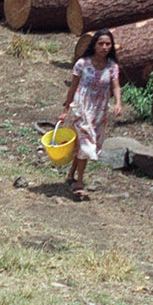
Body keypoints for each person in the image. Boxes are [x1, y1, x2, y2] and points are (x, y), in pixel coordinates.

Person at [60, 29, 124, 197]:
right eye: (101, 44)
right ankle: (79, 182)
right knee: (86, 144)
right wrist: (66, 109)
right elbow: (73, 87)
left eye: (107, 44)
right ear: (94, 45)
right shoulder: (82, 63)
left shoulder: (112, 66)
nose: (104, 47)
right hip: (81, 108)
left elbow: (115, 86)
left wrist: (118, 103)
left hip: (99, 111)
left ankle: (71, 175)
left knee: (82, 145)